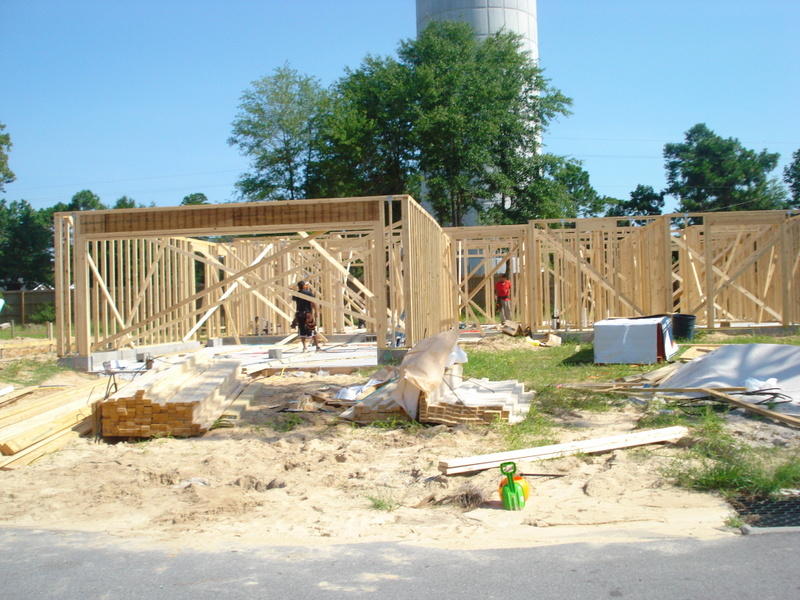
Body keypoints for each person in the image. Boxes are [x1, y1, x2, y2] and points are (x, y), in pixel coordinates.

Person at [292, 280, 320, 351]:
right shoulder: (308, 293)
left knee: (302, 330)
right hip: (308, 314)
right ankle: (317, 346)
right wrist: (316, 312)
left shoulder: (296, 294)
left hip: (300, 314)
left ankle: (304, 347)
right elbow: (313, 303)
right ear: (304, 286)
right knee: (312, 329)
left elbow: (294, 299)